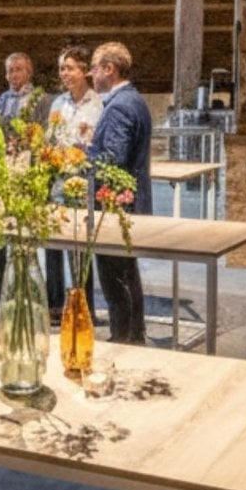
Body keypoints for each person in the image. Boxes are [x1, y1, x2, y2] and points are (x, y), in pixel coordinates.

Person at [86, 41, 152, 344]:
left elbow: (113, 160)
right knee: (127, 273)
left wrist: (79, 156)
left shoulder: (120, 106)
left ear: (109, 69)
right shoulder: (133, 100)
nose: (91, 74)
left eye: (94, 68)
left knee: (115, 278)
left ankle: (124, 338)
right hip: (125, 204)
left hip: (114, 207)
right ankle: (134, 335)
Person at [47, 46, 106, 320]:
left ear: (85, 71)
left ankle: (85, 310)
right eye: (62, 68)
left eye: (69, 67)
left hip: (84, 183)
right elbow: (51, 138)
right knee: (54, 245)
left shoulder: (99, 103)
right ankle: (55, 305)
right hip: (58, 182)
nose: (64, 73)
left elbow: (97, 144)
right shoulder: (58, 103)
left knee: (80, 251)